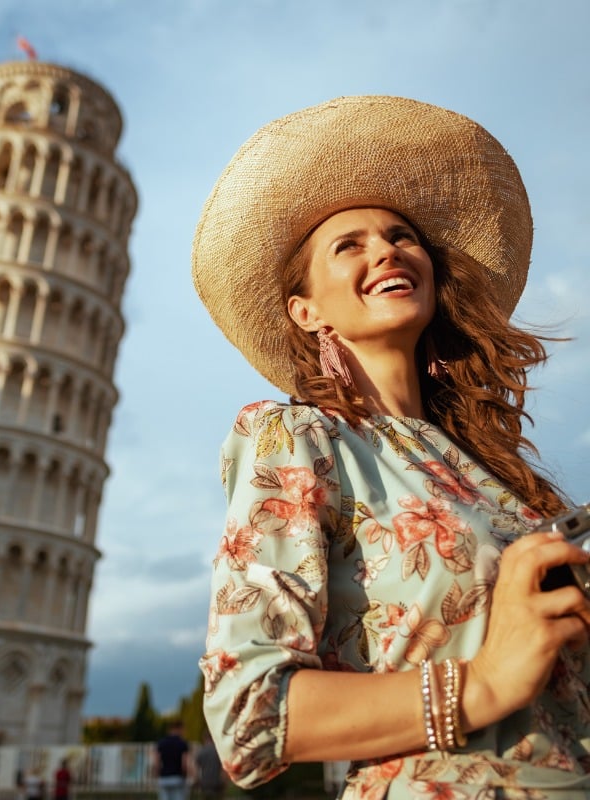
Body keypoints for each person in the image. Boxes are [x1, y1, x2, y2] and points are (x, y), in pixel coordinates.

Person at [192, 96, 590, 799]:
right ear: (306, 310)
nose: (387, 249)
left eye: (403, 236)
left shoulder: (498, 477)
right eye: (350, 246)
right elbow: (250, 717)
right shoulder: (299, 438)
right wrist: (486, 680)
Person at [155, 719, 190, 800]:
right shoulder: (182, 744)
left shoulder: (161, 743)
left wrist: (157, 774)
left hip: (164, 778)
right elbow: (184, 763)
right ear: (179, 729)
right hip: (177, 777)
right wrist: (185, 775)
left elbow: (157, 762)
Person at [194, 730, 226, 800]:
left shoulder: (201, 751)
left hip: (205, 782)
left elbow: (196, 769)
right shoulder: (218, 751)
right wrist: (224, 780)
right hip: (217, 782)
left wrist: (197, 780)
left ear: (204, 738)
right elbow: (223, 768)